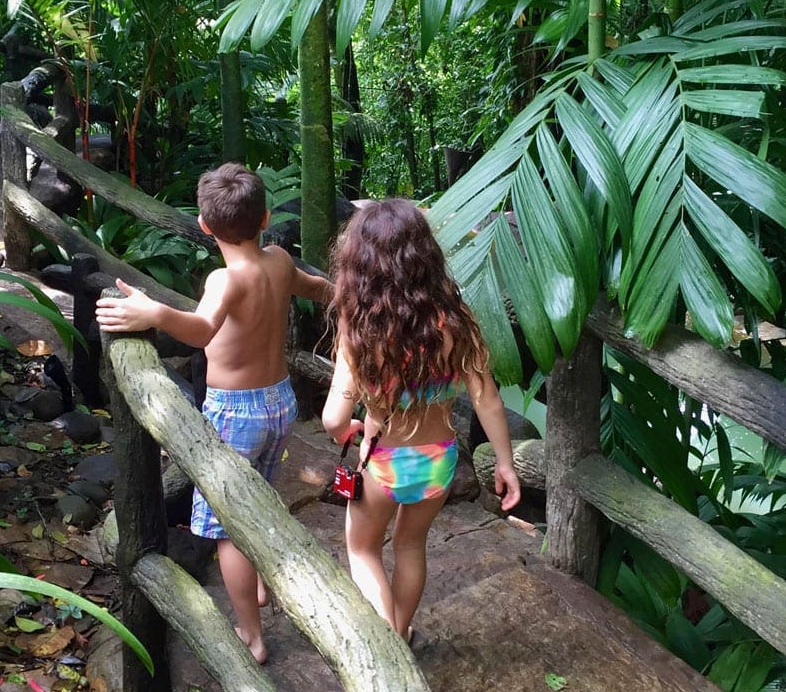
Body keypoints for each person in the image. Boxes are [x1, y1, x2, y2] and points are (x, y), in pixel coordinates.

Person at [95, 162, 332, 664]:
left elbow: (202, 330)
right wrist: (348, 294)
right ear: (266, 217)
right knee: (260, 496)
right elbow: (317, 289)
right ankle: (262, 584)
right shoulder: (279, 262)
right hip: (280, 402)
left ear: (204, 226)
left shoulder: (225, 278)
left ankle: (251, 633)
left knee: (229, 527)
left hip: (236, 412)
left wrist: (153, 312)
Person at [321, 198, 520, 645]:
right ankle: (402, 630)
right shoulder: (456, 323)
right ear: (427, 257)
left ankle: (387, 648)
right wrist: (505, 463)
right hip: (438, 462)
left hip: (384, 464)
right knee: (410, 545)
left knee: (363, 548)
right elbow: (486, 396)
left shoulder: (361, 330)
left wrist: (348, 428)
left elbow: (334, 417)